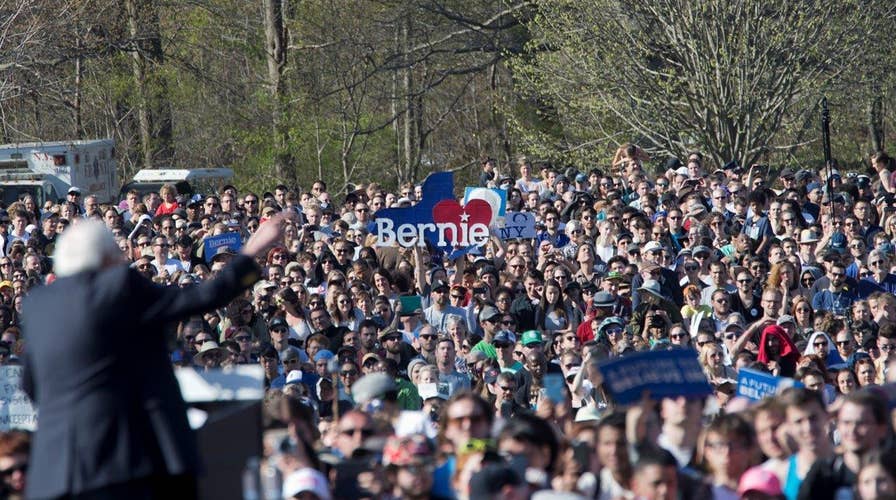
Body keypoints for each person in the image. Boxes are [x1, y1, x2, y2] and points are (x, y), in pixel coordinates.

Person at [21, 213, 292, 499]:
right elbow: (202, 297)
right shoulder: (118, 286)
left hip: (53, 475)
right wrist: (252, 250)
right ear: (106, 259)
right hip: (124, 466)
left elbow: (31, 386)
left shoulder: (37, 305)